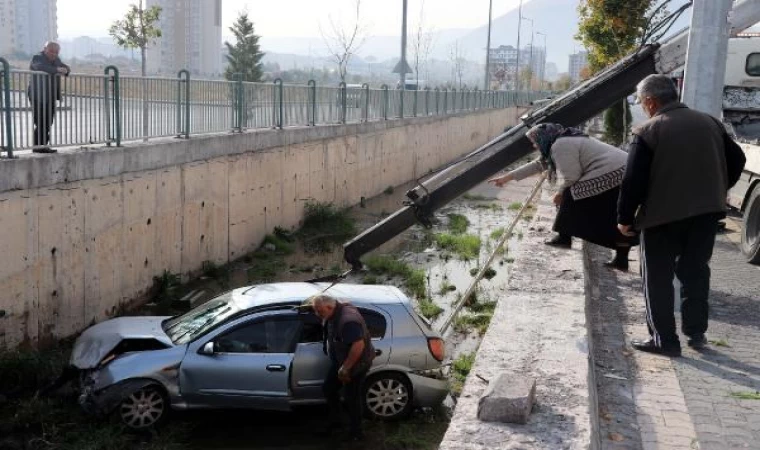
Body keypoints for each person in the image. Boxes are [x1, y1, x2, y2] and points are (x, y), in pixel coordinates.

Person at [617, 74, 746, 357]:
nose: (642, 106)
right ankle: (696, 333)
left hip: (662, 216)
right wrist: (718, 187)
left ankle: (665, 341)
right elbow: (738, 159)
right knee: (695, 272)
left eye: (641, 101)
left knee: (657, 278)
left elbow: (633, 181)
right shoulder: (710, 122)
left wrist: (624, 217)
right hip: (707, 213)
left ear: (650, 101)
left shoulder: (649, 131)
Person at [489, 122, 638, 270]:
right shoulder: (562, 140)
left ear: (544, 138)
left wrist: (560, 193)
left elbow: (572, 178)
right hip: (622, 173)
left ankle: (564, 237)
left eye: (535, 142)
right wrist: (506, 178)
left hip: (614, 174)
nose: (535, 146)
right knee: (613, 217)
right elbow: (539, 165)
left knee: (570, 194)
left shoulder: (560, 145)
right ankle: (621, 259)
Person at [312, 294, 375, 441]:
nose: (317, 314)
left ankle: (356, 434)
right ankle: (337, 422)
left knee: (351, 398)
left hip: (355, 363)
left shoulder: (348, 321)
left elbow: (358, 346)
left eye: (319, 311)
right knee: (329, 389)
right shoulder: (335, 309)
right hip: (341, 361)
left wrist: (345, 368)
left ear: (330, 307)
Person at [27, 41, 70, 153]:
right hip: (37, 95)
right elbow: (40, 67)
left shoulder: (56, 60)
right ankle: (38, 147)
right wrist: (57, 70)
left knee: (48, 121)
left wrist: (66, 70)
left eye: (56, 52)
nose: (54, 54)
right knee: (41, 121)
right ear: (45, 49)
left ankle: (42, 146)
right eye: (51, 51)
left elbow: (65, 67)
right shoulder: (37, 57)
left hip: (50, 96)